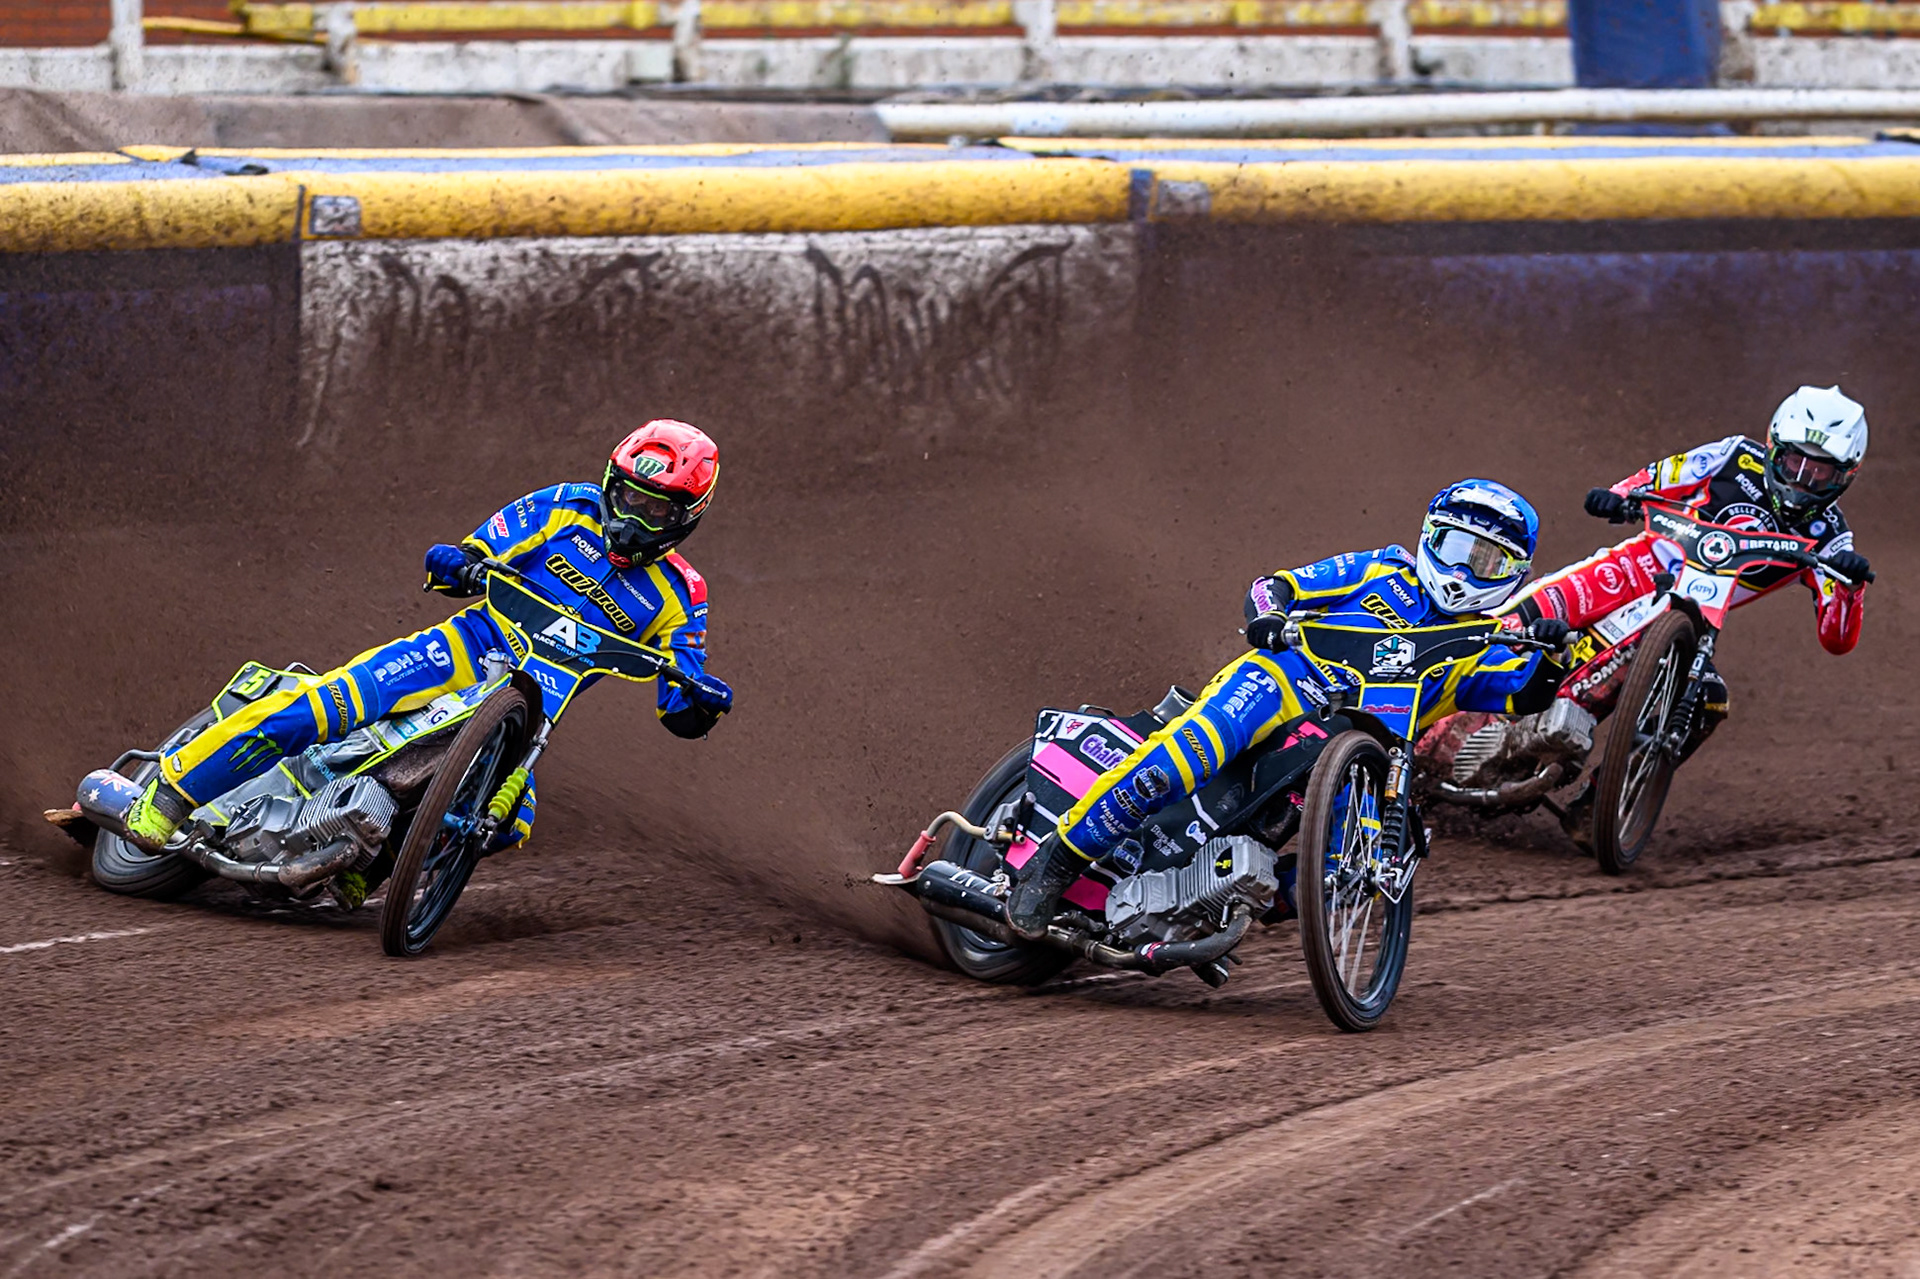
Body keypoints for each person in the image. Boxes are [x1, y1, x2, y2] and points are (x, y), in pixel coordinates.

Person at [103, 419, 735, 858]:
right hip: (459, 651)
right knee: (317, 708)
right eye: (625, 494)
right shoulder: (565, 505)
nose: (630, 514)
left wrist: (700, 700)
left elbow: (679, 699)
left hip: (526, 718)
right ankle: (165, 799)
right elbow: (473, 550)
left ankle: (366, 861)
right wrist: (461, 563)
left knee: (508, 823)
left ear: (685, 517)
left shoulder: (684, 594)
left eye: (653, 508)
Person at [1006, 479, 1571, 939]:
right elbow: (1274, 587)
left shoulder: (1483, 643)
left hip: (1357, 756)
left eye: (1486, 561)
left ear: (1514, 573)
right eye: (1454, 549)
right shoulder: (1382, 569)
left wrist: (1553, 654)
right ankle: (1053, 865)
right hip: (1280, 682)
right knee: (1176, 763)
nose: (1464, 572)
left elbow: (1526, 695)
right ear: (1429, 538)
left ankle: (1218, 901)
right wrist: (1270, 617)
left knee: (1358, 871)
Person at [1506, 385, 1871, 811]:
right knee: (1521, 618)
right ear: (1774, 449)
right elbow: (1662, 475)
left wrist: (1850, 587)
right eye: (1795, 462)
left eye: (1819, 471)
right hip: (1631, 570)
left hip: (1691, 621)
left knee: (1706, 701)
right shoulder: (1735, 456)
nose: (1802, 479)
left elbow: (1837, 639)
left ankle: (1600, 808)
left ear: (1845, 475)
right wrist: (1619, 496)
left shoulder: (1831, 541)